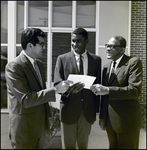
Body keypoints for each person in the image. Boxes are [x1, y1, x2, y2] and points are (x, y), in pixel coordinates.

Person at [5, 28, 84, 149]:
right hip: (24, 129)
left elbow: (40, 93)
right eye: (41, 44)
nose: (44, 47)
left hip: (40, 127)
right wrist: (55, 90)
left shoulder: (39, 65)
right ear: (30, 45)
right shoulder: (14, 66)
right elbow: (26, 100)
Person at [90, 36, 143, 149]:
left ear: (122, 49)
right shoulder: (106, 67)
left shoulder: (133, 63)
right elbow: (104, 97)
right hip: (110, 122)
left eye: (112, 46)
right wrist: (102, 117)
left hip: (127, 122)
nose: (108, 49)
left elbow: (134, 90)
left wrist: (108, 90)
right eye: (107, 46)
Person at [54, 28, 101, 149]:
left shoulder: (96, 60)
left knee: (83, 146)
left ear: (86, 41)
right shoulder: (62, 59)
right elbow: (57, 85)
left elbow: (98, 85)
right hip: (68, 111)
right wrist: (68, 89)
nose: (75, 44)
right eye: (73, 41)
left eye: (78, 41)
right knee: (68, 147)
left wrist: (97, 111)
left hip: (87, 113)